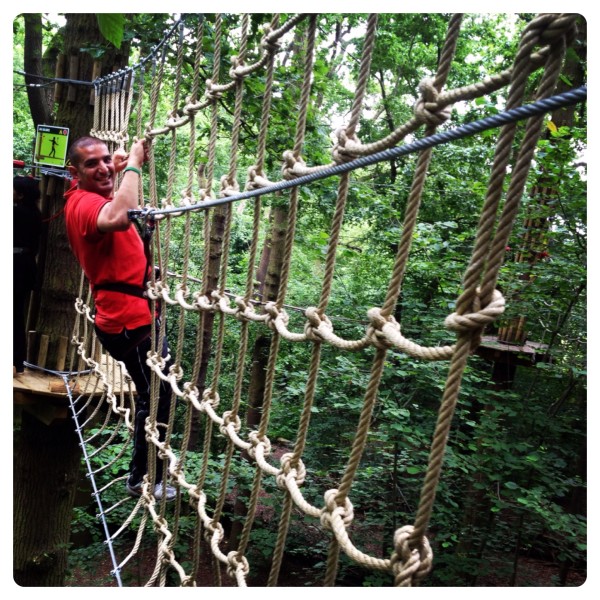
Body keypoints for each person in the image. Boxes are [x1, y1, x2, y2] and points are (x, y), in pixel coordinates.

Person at [64, 136, 176, 502]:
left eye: (105, 161)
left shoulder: (94, 199)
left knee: (160, 390)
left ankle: (146, 475)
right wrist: (133, 166)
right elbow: (117, 216)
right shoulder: (83, 205)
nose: (103, 168)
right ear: (74, 173)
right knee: (159, 393)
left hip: (136, 313)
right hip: (127, 322)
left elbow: (121, 222)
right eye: (91, 164)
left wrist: (144, 272)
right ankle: (143, 479)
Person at [13, 176, 42, 374]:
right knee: (16, 315)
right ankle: (18, 360)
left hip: (15, 266)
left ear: (21, 195)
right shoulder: (36, 214)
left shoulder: (16, 212)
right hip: (24, 267)